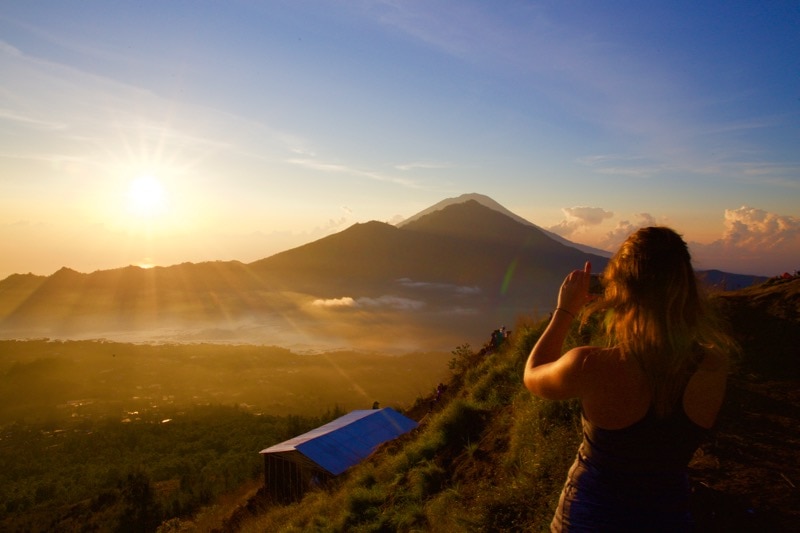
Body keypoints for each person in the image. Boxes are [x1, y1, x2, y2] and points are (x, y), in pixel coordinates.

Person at [524, 227, 735, 532]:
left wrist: (565, 310)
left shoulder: (592, 365)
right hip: (668, 516)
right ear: (686, 286)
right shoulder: (714, 365)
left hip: (588, 518)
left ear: (622, 290)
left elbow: (533, 374)